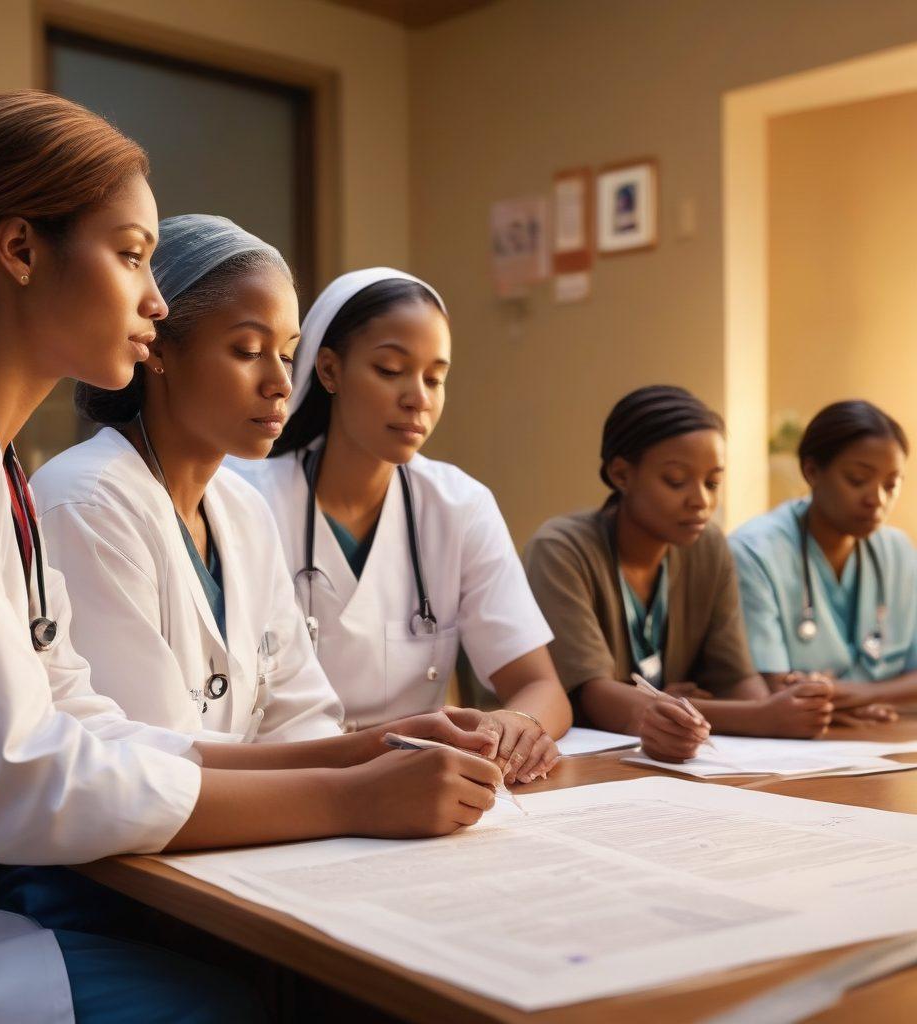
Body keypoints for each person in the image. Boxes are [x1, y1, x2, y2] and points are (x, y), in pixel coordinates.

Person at [0, 91, 500, 1024]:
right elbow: (24, 775)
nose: (156, 299)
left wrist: (363, 751)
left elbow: (76, 715)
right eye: (132, 256)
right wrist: (349, 798)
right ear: (19, 250)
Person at [231, 268, 572, 784]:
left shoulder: (459, 505)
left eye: (435, 378)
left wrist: (515, 723)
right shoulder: (247, 496)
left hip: (422, 786)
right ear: (329, 370)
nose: (419, 398)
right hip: (290, 784)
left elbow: (541, 687)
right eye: (391, 370)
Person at [31, 214, 343, 743]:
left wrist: (383, 758)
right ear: (157, 350)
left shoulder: (244, 510)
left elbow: (302, 716)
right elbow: (149, 756)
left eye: (288, 354)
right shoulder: (87, 505)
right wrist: (357, 781)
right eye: (248, 350)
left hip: (264, 817)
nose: (281, 383)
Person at [523, 385, 836, 763]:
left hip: (675, 762)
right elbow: (598, 697)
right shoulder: (563, 549)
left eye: (713, 483)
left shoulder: (708, 548)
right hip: (574, 763)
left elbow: (737, 681)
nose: (701, 500)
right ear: (621, 474)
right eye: (675, 480)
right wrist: (761, 716)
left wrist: (780, 707)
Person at [730, 400, 916, 715]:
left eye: (891, 484)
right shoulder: (753, 552)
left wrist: (855, 694)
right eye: (858, 479)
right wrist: (874, 696)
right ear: (812, 471)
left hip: (882, 737)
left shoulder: (898, 551)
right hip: (794, 748)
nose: (877, 499)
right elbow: (773, 690)